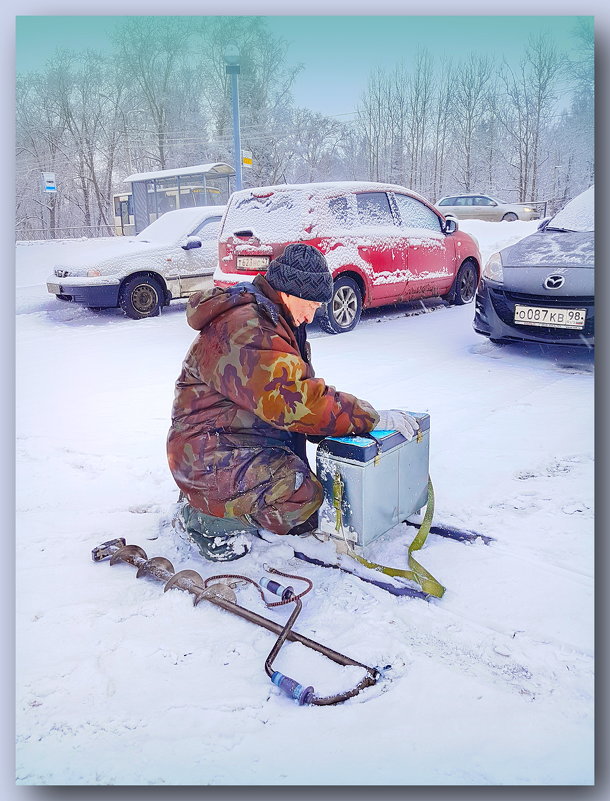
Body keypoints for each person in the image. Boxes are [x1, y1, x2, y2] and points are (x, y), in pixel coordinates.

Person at [167, 243, 418, 561]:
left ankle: (213, 497)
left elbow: (300, 399)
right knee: (300, 496)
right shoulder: (249, 330)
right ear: (288, 291)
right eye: (311, 304)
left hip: (232, 442)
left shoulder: (274, 320)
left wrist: (339, 425)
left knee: (303, 502)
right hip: (205, 454)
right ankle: (206, 519)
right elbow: (297, 404)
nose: (313, 314)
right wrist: (370, 417)